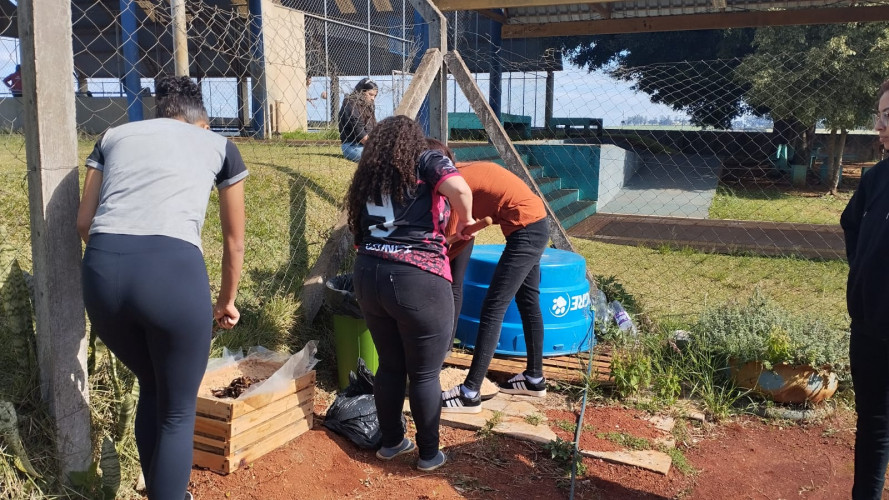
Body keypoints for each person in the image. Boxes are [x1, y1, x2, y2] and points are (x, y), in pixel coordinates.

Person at [76, 76, 247, 500]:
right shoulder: (218, 145)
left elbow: (84, 222)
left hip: (102, 273)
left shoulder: (113, 136)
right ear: (201, 121)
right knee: (177, 411)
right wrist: (226, 301)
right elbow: (234, 242)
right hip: (173, 274)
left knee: (152, 385)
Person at [345, 116, 475, 471]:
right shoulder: (426, 159)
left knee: (389, 365)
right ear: (413, 139)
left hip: (369, 272)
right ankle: (429, 454)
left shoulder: (369, 173)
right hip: (418, 276)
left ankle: (391, 443)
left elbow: (356, 228)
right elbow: (461, 190)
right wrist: (465, 220)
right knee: (424, 373)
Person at [426, 139, 550, 414]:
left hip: (526, 230)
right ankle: (534, 378)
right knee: (528, 301)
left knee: (493, 307)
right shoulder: (459, 174)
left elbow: (453, 241)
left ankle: (469, 392)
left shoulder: (457, 185)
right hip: (534, 223)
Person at [842, 78, 889, 500]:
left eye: (888, 116)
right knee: (873, 425)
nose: (880, 127)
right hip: (871, 329)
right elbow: (852, 226)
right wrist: (864, 278)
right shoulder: (876, 179)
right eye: (880, 116)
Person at [338, 78, 377, 162]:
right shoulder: (350, 103)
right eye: (370, 94)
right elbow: (359, 131)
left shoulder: (368, 106)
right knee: (376, 159)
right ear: (362, 92)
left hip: (368, 145)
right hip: (352, 145)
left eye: (375, 95)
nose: (373, 98)